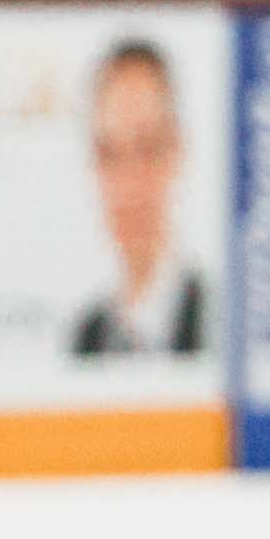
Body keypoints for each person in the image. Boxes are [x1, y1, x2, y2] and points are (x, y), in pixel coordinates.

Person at [72, 38, 208, 360]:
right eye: (110, 155)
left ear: (176, 153)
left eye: (147, 149)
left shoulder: (218, 318)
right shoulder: (88, 335)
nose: (129, 185)